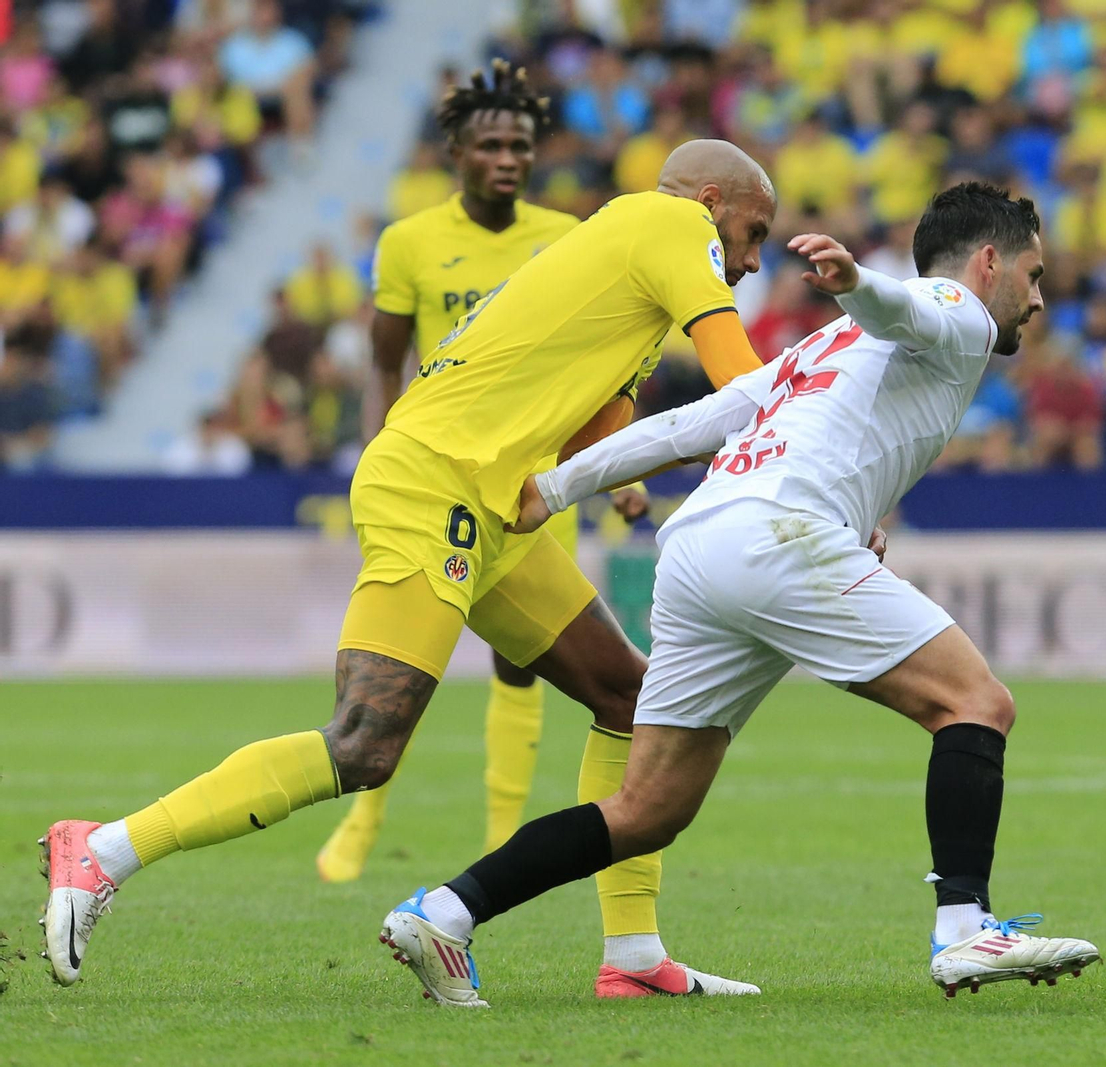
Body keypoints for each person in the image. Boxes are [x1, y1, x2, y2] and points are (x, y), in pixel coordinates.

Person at [41, 137, 779, 1001]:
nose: (753, 259)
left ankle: (634, 955)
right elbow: (747, 387)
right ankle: (104, 849)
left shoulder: (629, 284)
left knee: (629, 696)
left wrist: (651, 468)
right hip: (436, 483)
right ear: (713, 198)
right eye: (753, 230)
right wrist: (815, 467)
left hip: (496, 505)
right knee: (365, 742)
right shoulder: (668, 221)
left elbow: (603, 438)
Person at [378, 183, 1100, 1007]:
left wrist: (556, 482)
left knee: (645, 809)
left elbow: (700, 420)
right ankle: (966, 925)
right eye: (1033, 275)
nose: (1038, 298)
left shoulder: (818, 349)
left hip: (699, 547)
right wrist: (860, 281)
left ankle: (443, 912)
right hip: (779, 536)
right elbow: (917, 313)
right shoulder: (952, 306)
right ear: (987, 261)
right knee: (976, 702)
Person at [316, 60, 640, 889]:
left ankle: (500, 838)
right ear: (454, 152)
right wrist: (381, 455)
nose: (508, 157)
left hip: (533, 480)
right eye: (490, 143)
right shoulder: (411, 242)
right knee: (399, 663)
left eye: (522, 144)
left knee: (523, 662)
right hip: (434, 473)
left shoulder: (567, 236)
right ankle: (364, 817)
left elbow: (593, 371)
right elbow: (383, 363)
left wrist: (610, 466)